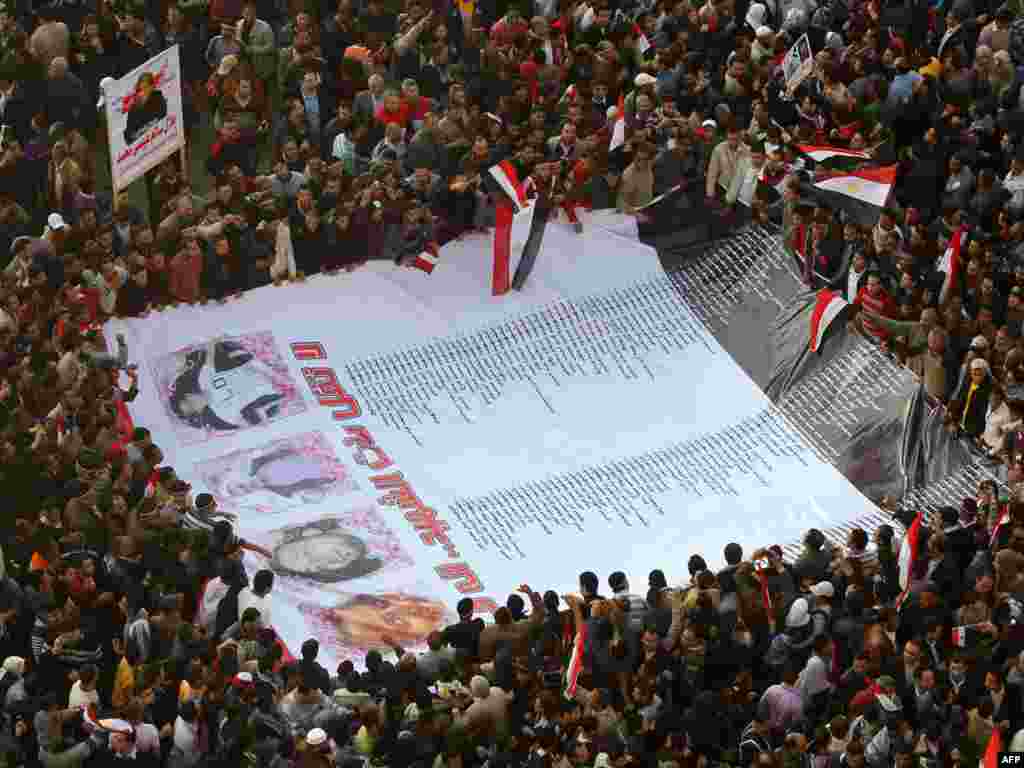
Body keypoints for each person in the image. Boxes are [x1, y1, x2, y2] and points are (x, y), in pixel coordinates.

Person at [123, 72, 168, 145]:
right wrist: (134, 136)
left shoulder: (159, 99)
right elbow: (129, 134)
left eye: (146, 88)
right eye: (140, 89)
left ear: (152, 87)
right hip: (141, 148)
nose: (143, 92)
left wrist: (144, 130)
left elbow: (161, 117)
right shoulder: (133, 108)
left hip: (159, 142)